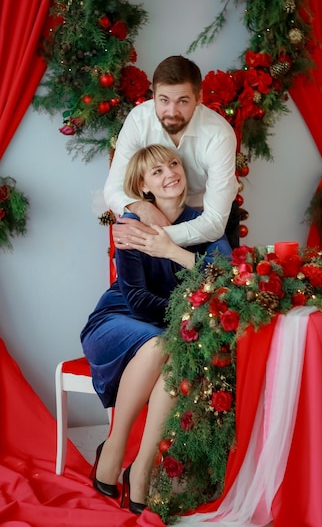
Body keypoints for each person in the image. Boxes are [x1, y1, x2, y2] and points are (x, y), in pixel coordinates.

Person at [81, 145, 231, 514]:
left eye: (174, 164)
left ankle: (142, 469)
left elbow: (225, 277)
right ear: (144, 187)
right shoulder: (132, 225)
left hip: (170, 333)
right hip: (119, 319)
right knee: (162, 344)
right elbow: (135, 299)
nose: (169, 174)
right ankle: (116, 448)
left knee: (170, 352)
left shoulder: (206, 221)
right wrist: (187, 319)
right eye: (157, 172)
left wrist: (172, 251)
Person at [104, 54, 240, 252]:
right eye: (164, 100)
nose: (172, 111)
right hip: (153, 215)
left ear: (199, 98)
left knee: (219, 281)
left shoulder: (219, 134)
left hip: (206, 219)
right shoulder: (139, 121)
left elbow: (214, 223)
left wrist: (155, 237)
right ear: (153, 96)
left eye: (182, 101)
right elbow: (114, 188)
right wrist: (141, 208)